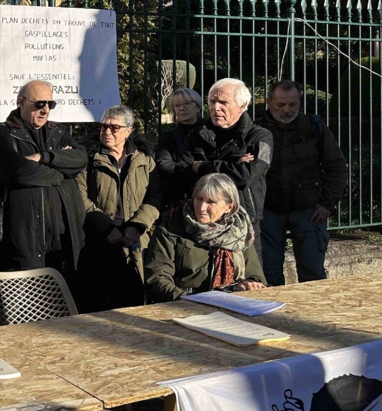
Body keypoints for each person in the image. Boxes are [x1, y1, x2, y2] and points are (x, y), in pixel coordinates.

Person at [0, 79, 87, 280]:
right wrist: (61, 172)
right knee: (25, 300)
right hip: (23, 237)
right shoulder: (1, 134)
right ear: (21, 102)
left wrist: (45, 157)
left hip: (61, 236)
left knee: (63, 302)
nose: (45, 110)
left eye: (50, 104)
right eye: (39, 103)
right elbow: (18, 172)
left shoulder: (58, 131)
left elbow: (82, 158)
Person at [256, 80, 348, 285]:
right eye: (281, 105)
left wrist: (327, 204)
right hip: (268, 209)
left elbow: (337, 167)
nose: (287, 110)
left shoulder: (314, 126)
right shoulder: (258, 130)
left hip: (308, 210)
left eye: (293, 105)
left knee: (313, 273)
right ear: (269, 102)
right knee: (268, 273)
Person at [76, 105, 160, 311]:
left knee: (135, 300)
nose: (106, 132)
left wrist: (137, 226)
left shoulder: (145, 160)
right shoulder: (89, 158)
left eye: (114, 127)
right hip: (99, 237)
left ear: (128, 131)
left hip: (136, 238)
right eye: (103, 126)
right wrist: (106, 227)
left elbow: (154, 197)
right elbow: (80, 197)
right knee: (100, 300)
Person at [189, 77, 273, 270]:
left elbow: (246, 175)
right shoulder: (198, 134)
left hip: (244, 219)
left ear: (242, 105)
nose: (216, 107)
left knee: (249, 277)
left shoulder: (260, 136)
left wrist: (204, 166)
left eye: (223, 102)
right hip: (203, 219)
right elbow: (187, 169)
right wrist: (234, 163)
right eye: (212, 101)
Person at [145, 173, 266, 303]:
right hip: (183, 303)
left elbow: (255, 276)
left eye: (211, 202)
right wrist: (190, 300)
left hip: (232, 303)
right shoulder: (171, 229)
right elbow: (158, 278)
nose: (202, 208)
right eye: (198, 199)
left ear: (228, 207)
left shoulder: (240, 233)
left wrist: (250, 284)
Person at [155, 87, 204, 210]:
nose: (181, 108)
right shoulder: (167, 137)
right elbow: (164, 164)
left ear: (198, 107)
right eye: (177, 105)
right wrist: (192, 168)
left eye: (187, 103)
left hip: (206, 194)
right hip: (175, 196)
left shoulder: (209, 132)